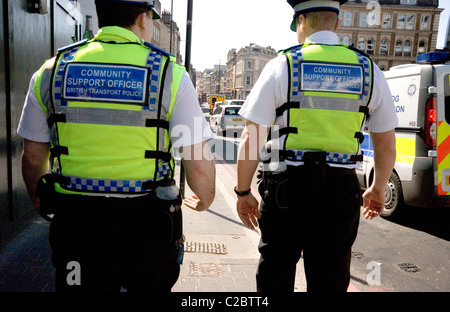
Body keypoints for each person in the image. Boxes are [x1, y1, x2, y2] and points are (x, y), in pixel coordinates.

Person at [18, 0, 215, 292]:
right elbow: (197, 161)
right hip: (148, 224)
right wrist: (206, 197)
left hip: (76, 223)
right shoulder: (169, 74)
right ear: (143, 17)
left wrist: (39, 199)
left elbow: (33, 159)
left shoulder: (51, 70)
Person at [235, 0, 397, 292]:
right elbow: (385, 143)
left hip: (287, 189)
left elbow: (251, 137)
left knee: (275, 272)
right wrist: (376, 187)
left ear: (301, 22)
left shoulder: (282, 65)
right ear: (336, 23)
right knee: (330, 278)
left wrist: (243, 191)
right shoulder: (368, 69)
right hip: (340, 190)